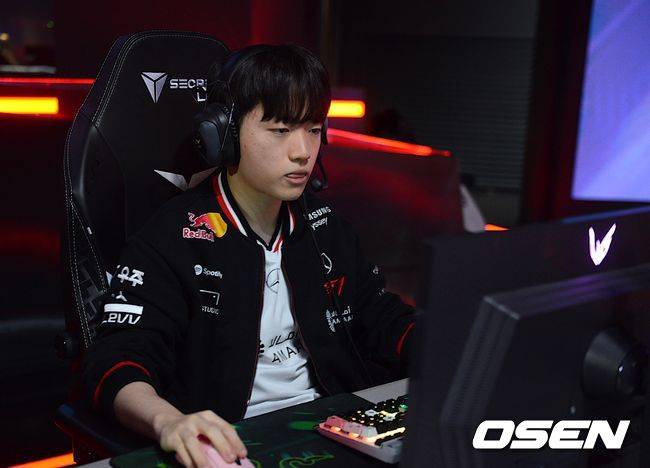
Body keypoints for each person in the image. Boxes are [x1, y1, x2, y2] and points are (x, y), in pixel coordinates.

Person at [81, 43, 415, 468]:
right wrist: (170, 422)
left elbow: (382, 318)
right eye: (280, 130)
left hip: (333, 426)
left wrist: (453, 350)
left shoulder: (326, 229)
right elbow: (117, 359)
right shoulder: (173, 238)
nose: (303, 151)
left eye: (314, 129)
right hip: (232, 441)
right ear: (223, 134)